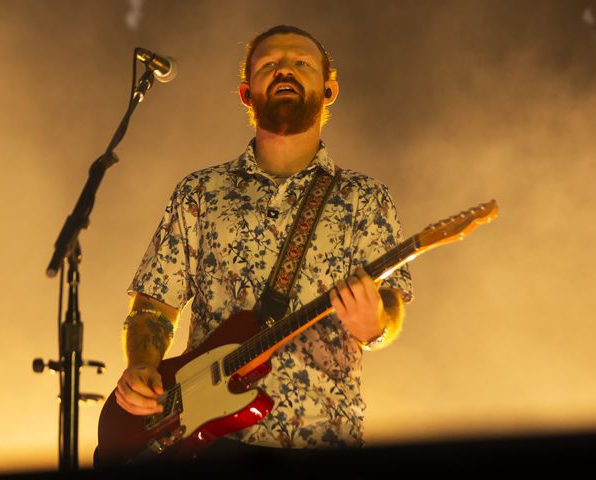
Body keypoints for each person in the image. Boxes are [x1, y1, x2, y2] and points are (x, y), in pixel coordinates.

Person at [114, 25, 413, 453]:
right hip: (203, 444)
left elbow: (389, 306)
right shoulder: (200, 192)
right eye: (270, 64)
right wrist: (142, 365)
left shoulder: (364, 198)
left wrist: (374, 326)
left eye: (302, 64)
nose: (285, 70)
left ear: (329, 91)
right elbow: (153, 306)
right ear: (246, 93)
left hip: (322, 436)